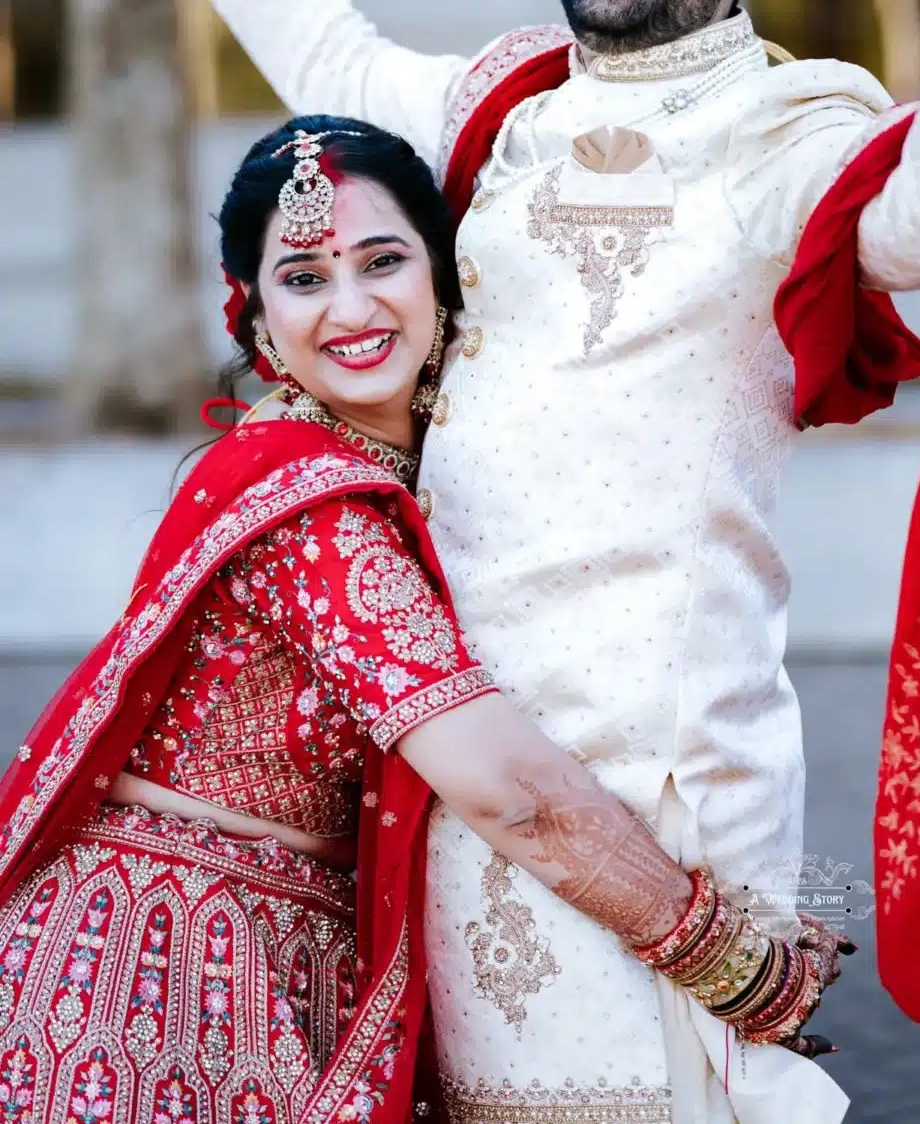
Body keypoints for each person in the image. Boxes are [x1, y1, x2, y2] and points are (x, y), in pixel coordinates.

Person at [90, 0, 920, 1123]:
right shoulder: (499, 109)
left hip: (673, 813)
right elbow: (319, 41)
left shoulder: (793, 132)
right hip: (459, 789)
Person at [0, 116, 846, 1124]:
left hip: (272, 961)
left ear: (445, 282)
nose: (348, 306)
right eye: (304, 277)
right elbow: (509, 790)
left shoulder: (421, 486)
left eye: (381, 260)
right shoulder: (314, 513)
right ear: (259, 322)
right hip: (157, 978)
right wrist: (733, 966)